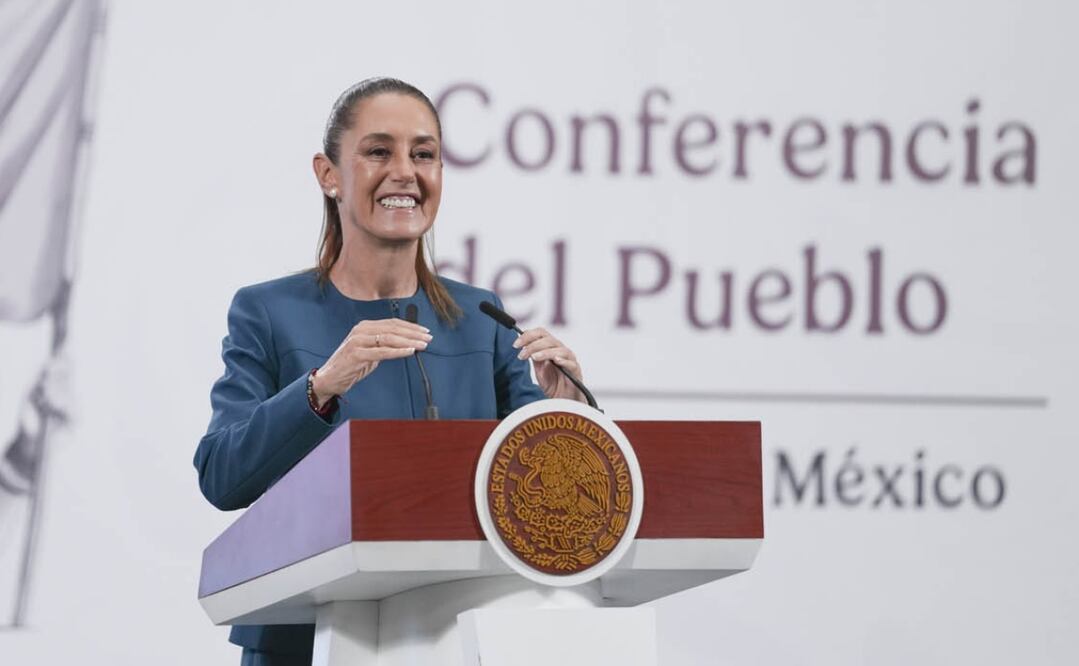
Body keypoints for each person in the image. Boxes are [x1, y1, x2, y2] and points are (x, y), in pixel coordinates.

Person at [193, 77, 587, 666]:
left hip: (456, 637)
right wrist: (321, 388)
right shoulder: (268, 312)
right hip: (303, 642)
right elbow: (222, 476)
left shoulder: (482, 320)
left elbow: (549, 503)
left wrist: (568, 414)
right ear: (329, 175)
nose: (404, 171)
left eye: (423, 154)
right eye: (379, 151)